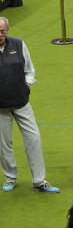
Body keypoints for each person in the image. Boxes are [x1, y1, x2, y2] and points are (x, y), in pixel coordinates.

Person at [0, 18, 57, 193]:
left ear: (7, 30)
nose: (0, 35)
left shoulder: (18, 44)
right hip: (0, 107)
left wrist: (27, 83)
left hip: (22, 102)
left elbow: (29, 70)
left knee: (34, 138)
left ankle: (39, 181)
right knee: (4, 144)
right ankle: (10, 177)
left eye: (2, 31)